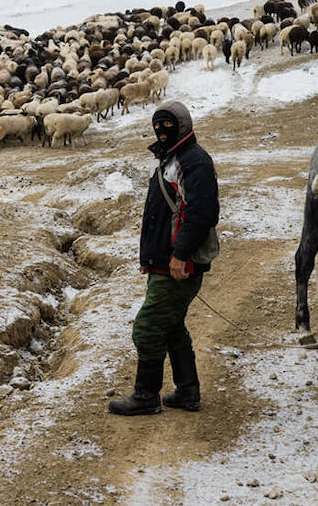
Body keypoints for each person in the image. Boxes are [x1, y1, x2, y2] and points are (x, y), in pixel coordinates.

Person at [108, 99, 220, 416]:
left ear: (183, 125)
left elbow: (202, 213)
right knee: (171, 326)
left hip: (178, 262)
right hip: (166, 260)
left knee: (147, 327)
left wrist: (180, 254)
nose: (161, 130)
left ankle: (146, 396)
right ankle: (187, 391)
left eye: (168, 124)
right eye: (157, 124)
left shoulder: (193, 161)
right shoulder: (173, 158)